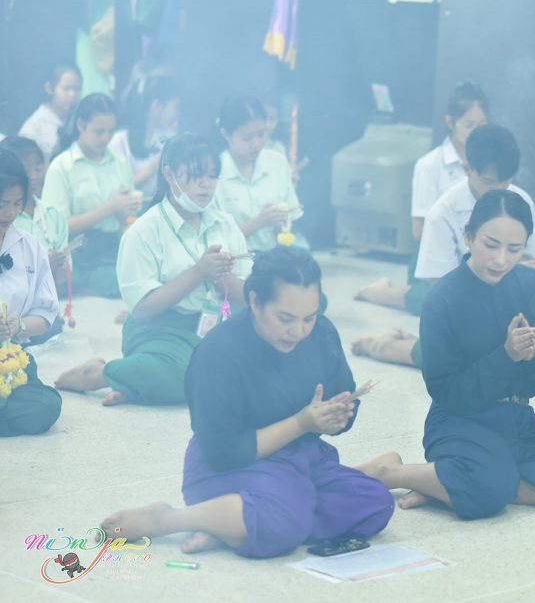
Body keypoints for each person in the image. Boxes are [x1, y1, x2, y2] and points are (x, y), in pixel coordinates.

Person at [100, 247, 394, 558]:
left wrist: (338, 416)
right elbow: (224, 452)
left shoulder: (321, 333)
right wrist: (301, 423)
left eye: (309, 318)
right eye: (285, 318)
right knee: (286, 520)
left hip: (300, 458)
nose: (298, 331)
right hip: (230, 465)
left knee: (374, 503)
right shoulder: (219, 353)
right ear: (254, 301)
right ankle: (168, 518)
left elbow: (343, 395)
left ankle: (231, 524)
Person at [359, 190, 535, 519]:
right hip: (459, 425)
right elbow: (447, 393)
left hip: (519, 425)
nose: (501, 259)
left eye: (514, 249)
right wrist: (506, 356)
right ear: (468, 237)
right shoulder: (442, 298)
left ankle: (446, 485)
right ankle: (393, 472)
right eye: (491, 244)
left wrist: (533, 355)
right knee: (491, 484)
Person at [55, 134, 251, 406]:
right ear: (169, 174)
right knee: (184, 377)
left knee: (258, 365)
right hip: (161, 330)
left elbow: (248, 298)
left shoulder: (226, 225)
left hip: (217, 324)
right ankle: (100, 373)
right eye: (196, 175)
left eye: (212, 175)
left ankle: (133, 385)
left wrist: (221, 276)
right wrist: (199, 272)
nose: (206, 184)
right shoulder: (144, 231)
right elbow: (142, 309)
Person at [350, 125, 535, 367]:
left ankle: (406, 338)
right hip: (462, 311)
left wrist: (532, 274)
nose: (498, 190)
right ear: (467, 169)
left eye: (505, 181)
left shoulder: (521, 203)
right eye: (488, 182)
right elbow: (442, 294)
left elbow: (527, 261)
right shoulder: (442, 213)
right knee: (460, 361)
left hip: (505, 307)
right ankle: (381, 345)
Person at [354, 81, 488, 312]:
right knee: (439, 302)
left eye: (481, 125)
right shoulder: (430, 164)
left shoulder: (487, 163)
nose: (476, 132)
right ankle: (377, 292)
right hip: (436, 250)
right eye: (468, 125)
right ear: (450, 122)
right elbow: (419, 230)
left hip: (476, 253)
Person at [41, 93, 140, 298]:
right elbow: (57, 227)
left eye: (111, 131)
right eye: (99, 131)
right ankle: (81, 286)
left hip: (113, 245)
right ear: (81, 125)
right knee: (120, 283)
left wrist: (127, 218)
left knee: (144, 275)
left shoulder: (120, 163)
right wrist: (110, 208)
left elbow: (128, 219)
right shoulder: (62, 167)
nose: (106, 138)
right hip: (78, 252)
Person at [0, 152, 62, 436]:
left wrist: (18, 326)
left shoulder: (30, 246)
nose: (10, 213)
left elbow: (46, 313)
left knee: (45, 405)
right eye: (2, 203)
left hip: (11, 356)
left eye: (18, 203)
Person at [211, 96, 302, 252]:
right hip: (232, 262)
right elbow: (212, 241)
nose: (256, 144)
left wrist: (281, 222)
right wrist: (259, 222)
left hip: (272, 260)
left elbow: (292, 217)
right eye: (246, 138)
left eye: (261, 134)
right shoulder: (213, 173)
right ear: (226, 134)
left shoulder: (277, 163)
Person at [1, 137, 70, 289]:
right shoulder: (5, 220)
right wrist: (41, 265)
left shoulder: (53, 214)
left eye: (38, 168)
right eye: (26, 170)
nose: (33, 176)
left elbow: (63, 276)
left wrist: (56, 264)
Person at [107, 74, 181, 199]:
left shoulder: (170, 138)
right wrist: (152, 168)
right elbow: (113, 192)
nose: (177, 113)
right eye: (175, 106)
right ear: (157, 106)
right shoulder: (118, 142)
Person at [18, 62, 82, 159]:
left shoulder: (80, 120)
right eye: (66, 88)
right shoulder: (33, 129)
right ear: (49, 88)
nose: (72, 95)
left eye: (77, 89)